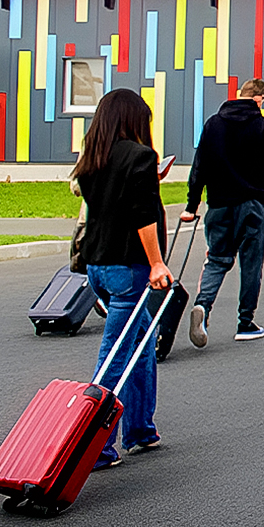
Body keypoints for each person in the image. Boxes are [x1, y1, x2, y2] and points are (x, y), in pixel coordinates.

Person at [72, 88, 172, 469]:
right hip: (128, 268)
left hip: (97, 265)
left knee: (141, 345)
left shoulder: (92, 158)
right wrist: (157, 263)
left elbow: (108, 203)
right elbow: (142, 214)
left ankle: (141, 430)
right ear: (134, 120)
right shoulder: (141, 156)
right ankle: (95, 448)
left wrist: (150, 179)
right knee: (114, 356)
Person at [183, 78, 264, 348]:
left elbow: (199, 168)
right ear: (260, 99)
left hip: (218, 205)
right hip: (252, 205)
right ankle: (245, 322)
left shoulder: (213, 124)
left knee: (216, 260)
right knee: (251, 265)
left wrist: (192, 206)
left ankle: (203, 307)